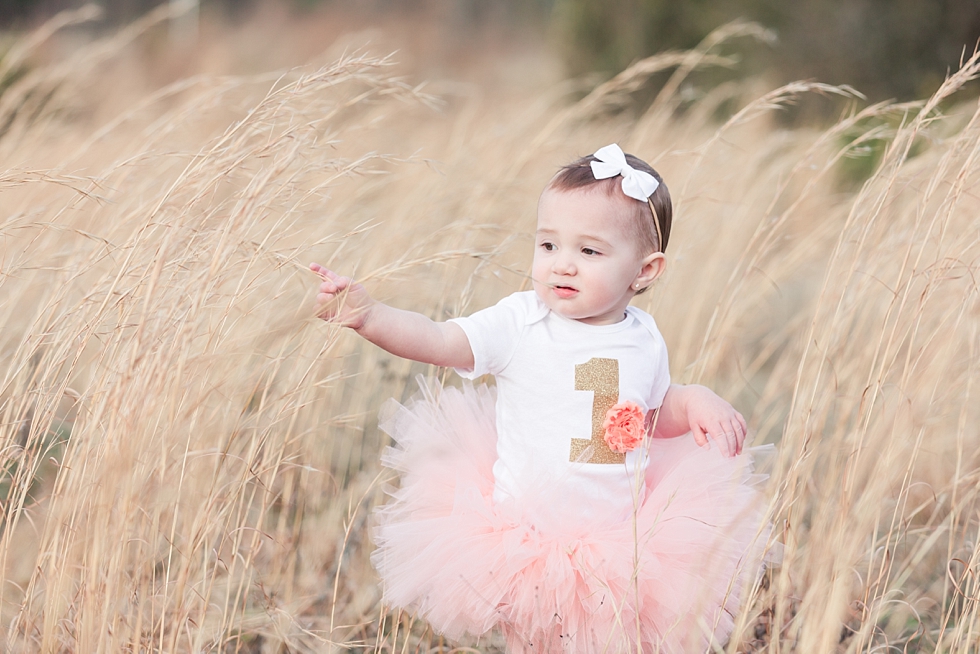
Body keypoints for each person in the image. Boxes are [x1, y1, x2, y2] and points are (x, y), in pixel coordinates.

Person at [310, 144, 773, 653]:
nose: (563, 266)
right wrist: (372, 317)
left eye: (589, 252)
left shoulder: (643, 337)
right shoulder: (520, 322)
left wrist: (693, 402)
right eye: (548, 246)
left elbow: (651, 414)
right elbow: (440, 341)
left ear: (644, 271)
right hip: (526, 540)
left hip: (620, 544)